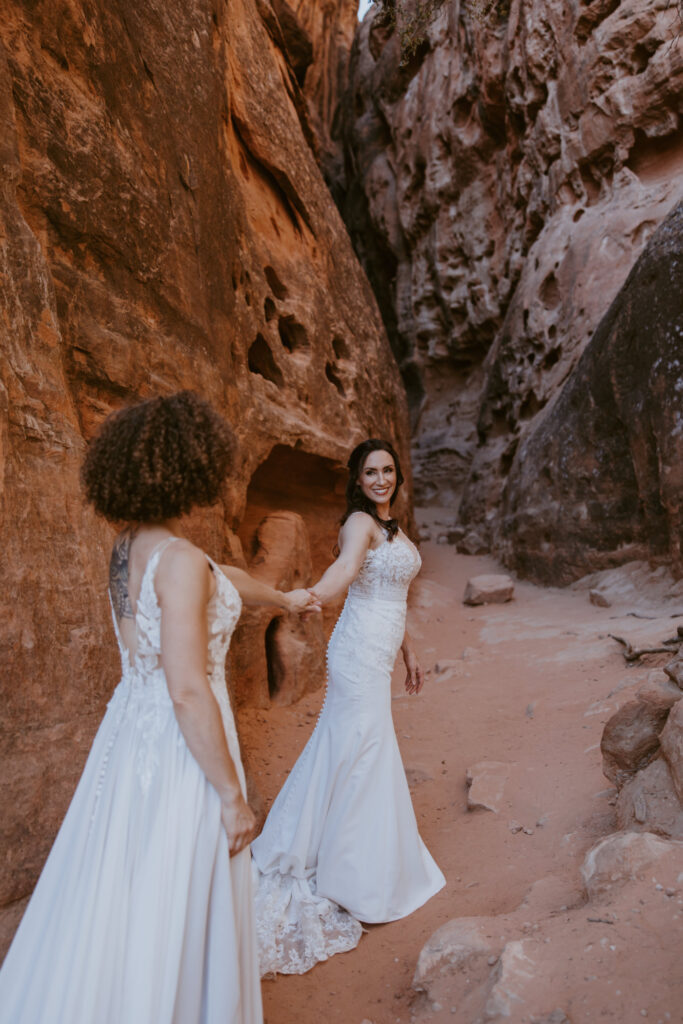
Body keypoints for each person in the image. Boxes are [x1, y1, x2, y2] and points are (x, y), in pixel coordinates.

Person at [0, 391, 316, 1024]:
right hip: (180, 746)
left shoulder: (127, 550)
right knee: (180, 883)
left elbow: (227, 577)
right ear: (188, 469)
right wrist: (231, 794)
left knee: (124, 883)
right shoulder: (180, 562)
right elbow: (187, 688)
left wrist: (288, 599)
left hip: (128, 737)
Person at [251, 438, 445, 975]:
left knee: (354, 744)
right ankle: (351, 873)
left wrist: (409, 651)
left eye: (387, 470)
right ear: (357, 481)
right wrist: (312, 593)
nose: (380, 479)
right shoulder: (359, 525)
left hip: (382, 648)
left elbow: (396, 596)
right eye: (370, 473)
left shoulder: (394, 529)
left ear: (396, 475)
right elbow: (346, 571)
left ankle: (353, 857)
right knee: (362, 745)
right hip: (357, 648)